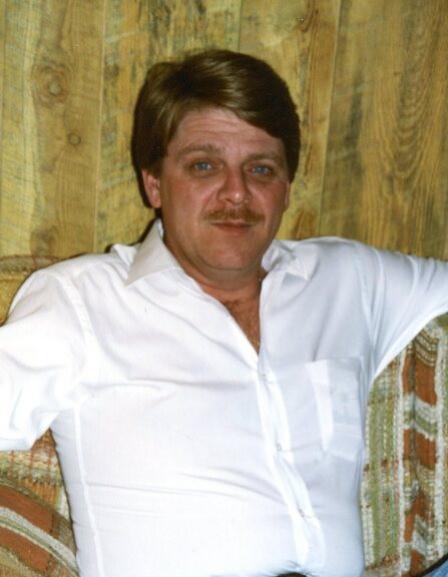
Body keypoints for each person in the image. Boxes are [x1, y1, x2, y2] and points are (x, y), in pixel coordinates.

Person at [0, 49, 447, 577]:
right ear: (154, 183)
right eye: (204, 166)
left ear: (286, 189)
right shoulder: (81, 300)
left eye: (261, 169)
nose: (237, 192)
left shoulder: (349, 278)